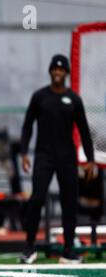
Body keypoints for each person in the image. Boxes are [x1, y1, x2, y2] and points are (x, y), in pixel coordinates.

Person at [20, 54, 95, 264]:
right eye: (55, 69)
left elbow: (84, 131)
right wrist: (24, 152)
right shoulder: (40, 97)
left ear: (67, 73)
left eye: (61, 70)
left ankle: (68, 250)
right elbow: (27, 126)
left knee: (69, 202)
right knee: (36, 198)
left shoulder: (74, 99)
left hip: (67, 157)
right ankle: (29, 247)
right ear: (50, 71)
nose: (58, 73)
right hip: (43, 156)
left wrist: (89, 160)